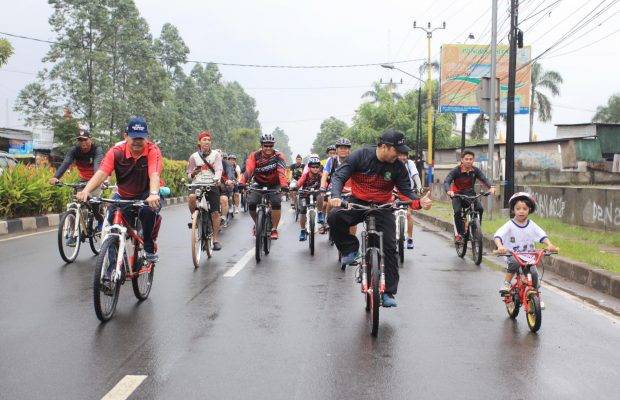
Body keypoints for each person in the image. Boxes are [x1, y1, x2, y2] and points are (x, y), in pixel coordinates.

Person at [327, 129, 432, 307]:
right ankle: (350, 249)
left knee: (390, 247)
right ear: (384, 146)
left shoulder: (398, 166)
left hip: (383, 206)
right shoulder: (360, 156)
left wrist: (419, 202)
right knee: (334, 217)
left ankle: (388, 292)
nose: (399, 155)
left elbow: (406, 192)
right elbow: (339, 176)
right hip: (358, 202)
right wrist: (336, 196)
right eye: (396, 151)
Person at [76, 116, 163, 263]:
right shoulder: (116, 151)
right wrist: (86, 191)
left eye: (141, 138)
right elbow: (102, 173)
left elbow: (154, 174)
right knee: (112, 227)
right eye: (133, 137)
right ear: (125, 136)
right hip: (123, 196)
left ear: (147, 138)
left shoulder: (152, 150)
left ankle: (148, 246)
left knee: (148, 211)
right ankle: (112, 268)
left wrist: (154, 193)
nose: (137, 142)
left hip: (147, 195)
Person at [494, 192, 558, 308]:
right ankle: (507, 283)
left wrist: (549, 245)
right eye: (518, 208)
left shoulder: (532, 225)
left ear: (530, 210)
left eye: (524, 209)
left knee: (534, 274)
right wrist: (500, 246)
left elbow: (542, 235)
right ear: (513, 210)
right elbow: (498, 235)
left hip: (528, 256)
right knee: (514, 263)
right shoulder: (510, 225)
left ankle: (537, 296)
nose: (521, 211)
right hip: (513, 254)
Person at [49, 127, 105, 240]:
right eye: (80, 140)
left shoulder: (97, 150)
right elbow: (66, 163)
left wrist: (97, 182)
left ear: (90, 139)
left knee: (94, 204)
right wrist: (55, 177)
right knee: (77, 204)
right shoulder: (74, 150)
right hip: (82, 181)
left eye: (85, 140)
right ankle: (74, 234)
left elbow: (97, 166)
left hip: (95, 180)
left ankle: (100, 220)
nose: (83, 143)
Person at [240, 132, 288, 240]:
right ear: (261, 145)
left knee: (276, 203)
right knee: (252, 203)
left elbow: (281, 171)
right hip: (259, 183)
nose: (268, 148)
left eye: (271, 145)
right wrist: (242, 182)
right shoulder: (254, 155)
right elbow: (249, 169)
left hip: (274, 184)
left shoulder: (279, 156)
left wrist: (284, 185)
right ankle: (257, 223)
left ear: (273, 146)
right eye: (266, 145)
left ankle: (274, 229)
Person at [443, 150, 495, 243]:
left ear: (473, 160)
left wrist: (491, 187)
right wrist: (449, 191)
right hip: (457, 195)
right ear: (462, 160)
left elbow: (484, 179)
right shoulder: (456, 170)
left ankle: (476, 229)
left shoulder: (475, 170)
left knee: (480, 209)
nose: (468, 161)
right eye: (466, 159)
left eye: (471, 159)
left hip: (470, 194)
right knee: (458, 212)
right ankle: (460, 234)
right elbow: (447, 181)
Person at [187, 131, 224, 251]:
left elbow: (219, 169)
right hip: (197, 184)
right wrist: (193, 173)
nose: (207, 142)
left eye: (209, 140)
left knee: (215, 213)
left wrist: (217, 179)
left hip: (212, 184)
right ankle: (195, 219)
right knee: (191, 197)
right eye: (204, 139)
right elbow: (189, 174)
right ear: (199, 142)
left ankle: (216, 240)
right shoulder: (193, 157)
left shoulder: (216, 155)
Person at [321, 137, 352, 228]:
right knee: (330, 203)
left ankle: (352, 236)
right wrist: (322, 187)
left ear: (349, 150)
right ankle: (327, 219)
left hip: (350, 189)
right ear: (337, 150)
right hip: (333, 187)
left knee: (352, 215)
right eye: (341, 148)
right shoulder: (331, 160)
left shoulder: (353, 160)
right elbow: (325, 174)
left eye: (345, 148)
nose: (343, 150)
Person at [294, 156, 324, 241]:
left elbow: (324, 184)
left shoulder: (321, 175)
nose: (315, 168)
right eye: (313, 167)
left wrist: (325, 188)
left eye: (317, 167)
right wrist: (295, 187)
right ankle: (303, 231)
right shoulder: (305, 175)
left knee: (320, 195)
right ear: (309, 167)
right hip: (304, 195)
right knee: (303, 211)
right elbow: (299, 183)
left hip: (316, 194)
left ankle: (320, 214)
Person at [397, 151, 422, 249]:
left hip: (407, 192)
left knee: (408, 214)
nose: (402, 157)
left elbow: (415, 175)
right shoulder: (392, 162)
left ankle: (410, 238)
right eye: (400, 155)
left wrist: (419, 187)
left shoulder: (410, 163)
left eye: (404, 155)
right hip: (393, 192)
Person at [219, 151, 236, 227]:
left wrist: (229, 180)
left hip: (224, 185)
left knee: (226, 198)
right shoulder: (210, 163)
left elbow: (230, 173)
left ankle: (224, 217)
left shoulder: (226, 164)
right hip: (212, 186)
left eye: (220, 156)